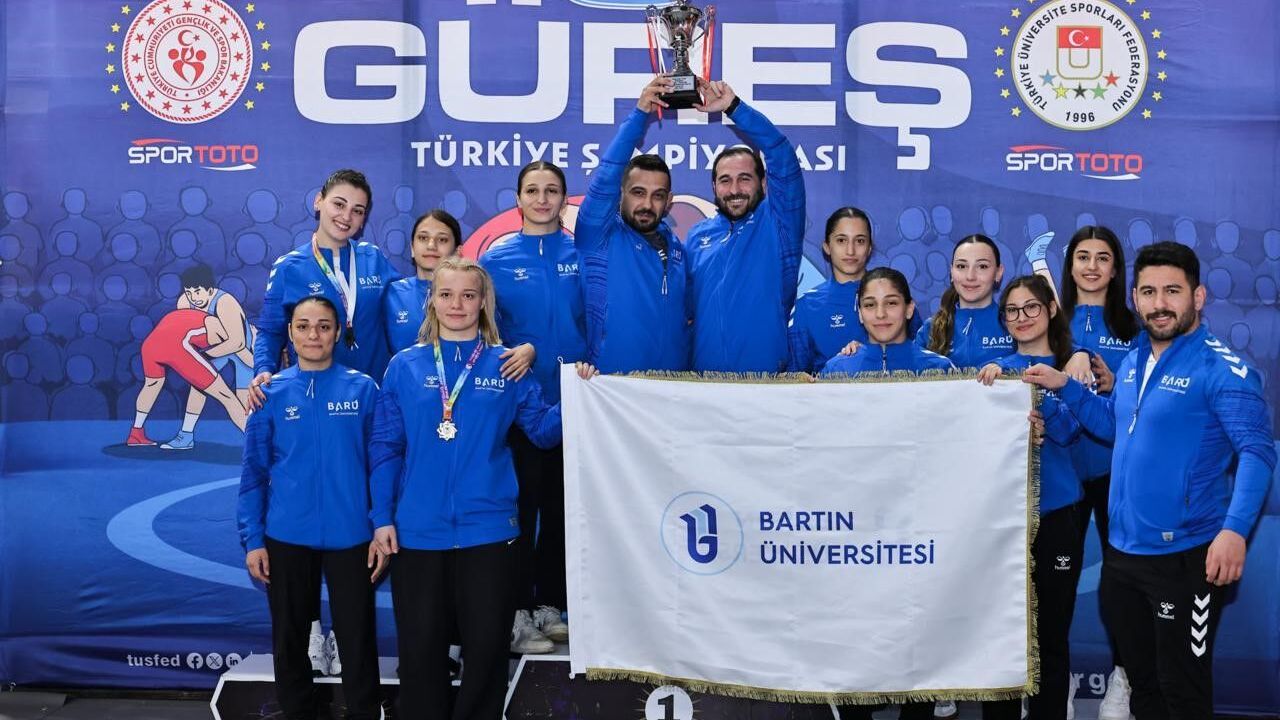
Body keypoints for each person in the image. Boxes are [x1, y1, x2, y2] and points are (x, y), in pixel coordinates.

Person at [1023, 242, 1276, 720]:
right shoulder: (1137, 355)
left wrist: (1234, 531)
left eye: (1172, 291)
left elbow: (1258, 452)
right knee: (1143, 690)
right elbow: (1113, 424)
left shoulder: (1224, 369)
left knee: (1182, 693)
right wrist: (1066, 387)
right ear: (1135, 298)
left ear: (1198, 297)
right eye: (1148, 292)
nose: (1159, 303)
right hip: (1123, 558)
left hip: (1186, 560)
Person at [369, 257, 594, 719]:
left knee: (488, 655)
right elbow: (386, 448)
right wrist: (382, 518)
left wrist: (577, 394)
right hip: (418, 532)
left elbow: (542, 432)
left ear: (483, 302)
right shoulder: (403, 367)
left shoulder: (505, 365)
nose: (457, 304)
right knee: (421, 654)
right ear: (432, 301)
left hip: (490, 532)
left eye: (468, 295)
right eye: (446, 294)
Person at [237, 295, 385, 720]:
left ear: (338, 333)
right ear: (290, 333)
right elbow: (253, 474)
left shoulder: (363, 389)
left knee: (357, 640)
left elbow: (382, 464)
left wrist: (380, 525)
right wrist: (253, 539)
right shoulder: (270, 394)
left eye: (323, 326)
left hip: (352, 536)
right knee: (290, 640)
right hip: (286, 537)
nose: (313, 335)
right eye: (303, 326)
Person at [480, 161, 588, 654]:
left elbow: (599, 322)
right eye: (532, 190)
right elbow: (484, 332)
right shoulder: (497, 258)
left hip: (577, 403)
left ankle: (551, 604)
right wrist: (518, 351)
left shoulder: (584, 252)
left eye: (551, 190)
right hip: (522, 405)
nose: (542, 199)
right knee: (520, 511)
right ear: (518, 199)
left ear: (564, 199)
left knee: (564, 510)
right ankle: (519, 609)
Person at [977, 275, 1086, 720]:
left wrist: (1046, 409)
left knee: (1051, 636)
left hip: (1058, 513)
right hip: (1003, 519)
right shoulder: (993, 371)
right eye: (1012, 311)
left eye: (1031, 308)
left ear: (1050, 310)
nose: (1022, 318)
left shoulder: (1070, 368)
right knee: (1001, 635)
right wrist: (985, 397)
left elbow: (1075, 432)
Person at [1054, 225, 1140, 717]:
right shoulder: (1050, 319)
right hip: (1061, 472)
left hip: (1116, 473)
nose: (1091, 266)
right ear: (1069, 266)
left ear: (1115, 268)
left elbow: (1150, 399)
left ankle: (1123, 679)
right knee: (1056, 585)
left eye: (1102, 257)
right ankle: (1056, 681)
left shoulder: (1135, 327)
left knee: (1122, 583)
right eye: (1082, 256)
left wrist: (1114, 385)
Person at [250, 169, 401, 406]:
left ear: (364, 218)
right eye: (339, 204)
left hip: (373, 399)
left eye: (357, 211)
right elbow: (270, 331)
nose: (346, 216)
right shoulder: (289, 267)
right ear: (318, 201)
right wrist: (264, 368)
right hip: (314, 401)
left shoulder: (374, 259)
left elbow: (406, 310)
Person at [685, 80, 806, 373]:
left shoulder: (778, 224)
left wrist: (734, 108)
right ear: (714, 187)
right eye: (725, 180)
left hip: (764, 384)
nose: (735, 189)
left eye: (745, 179)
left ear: (763, 183)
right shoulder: (697, 237)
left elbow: (782, 155)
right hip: (704, 386)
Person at [574, 74, 691, 373]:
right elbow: (605, 177)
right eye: (638, 192)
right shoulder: (597, 237)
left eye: (658, 196)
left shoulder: (678, 250)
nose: (647, 204)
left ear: (669, 201)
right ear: (621, 194)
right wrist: (640, 115)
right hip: (612, 387)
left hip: (669, 389)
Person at [793, 208, 922, 373]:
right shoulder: (806, 306)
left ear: (869, 247)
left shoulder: (896, 296)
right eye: (841, 240)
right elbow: (797, 378)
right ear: (827, 246)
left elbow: (921, 360)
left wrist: (871, 354)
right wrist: (839, 368)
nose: (850, 251)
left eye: (860, 241)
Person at [163, 263, 255, 450]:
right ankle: (186, 435)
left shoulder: (225, 303)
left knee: (246, 400)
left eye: (198, 292)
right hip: (213, 346)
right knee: (198, 385)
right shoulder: (184, 303)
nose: (193, 297)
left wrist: (203, 355)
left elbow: (236, 343)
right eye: (189, 292)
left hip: (239, 348)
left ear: (210, 290)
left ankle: (258, 442)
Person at [124, 307, 247, 445]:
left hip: (150, 346)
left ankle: (136, 433)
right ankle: (257, 440)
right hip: (177, 347)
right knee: (226, 396)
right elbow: (240, 350)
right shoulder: (224, 328)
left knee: (151, 386)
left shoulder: (202, 316)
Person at [820, 267, 951, 377]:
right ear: (860, 314)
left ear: (909, 309)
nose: (880, 314)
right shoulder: (837, 370)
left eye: (891, 303)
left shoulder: (939, 368)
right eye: (870, 305)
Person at [917, 234, 1013, 370]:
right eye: (961, 266)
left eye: (982, 266)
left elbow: (1034, 361)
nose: (970, 276)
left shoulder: (1014, 324)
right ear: (951, 272)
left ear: (998, 272)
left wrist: (1005, 365)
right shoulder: (931, 328)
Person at [383, 209, 462, 352]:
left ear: (457, 252)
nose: (431, 245)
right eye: (423, 238)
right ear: (412, 248)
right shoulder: (391, 294)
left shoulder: (472, 296)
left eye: (442, 239)